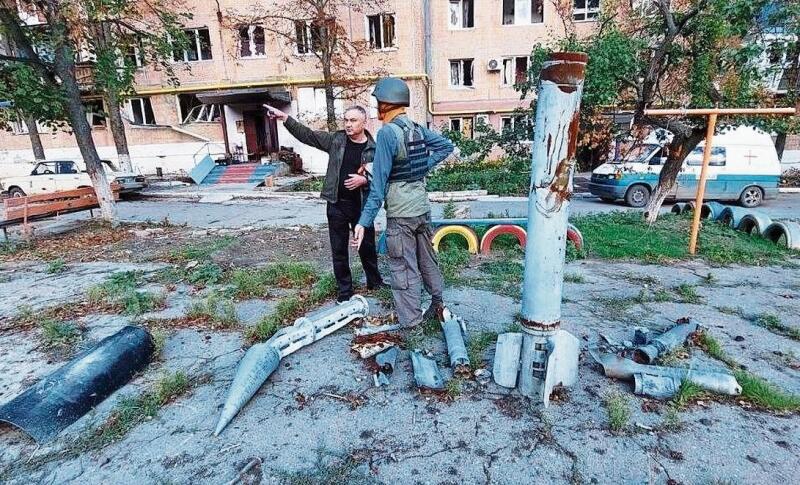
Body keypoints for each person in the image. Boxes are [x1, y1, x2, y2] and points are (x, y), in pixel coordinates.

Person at [351, 78, 455, 328]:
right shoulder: (416, 128)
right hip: (422, 209)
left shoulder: (387, 132)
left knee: (403, 268)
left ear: (386, 104)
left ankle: (412, 326)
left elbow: (378, 187)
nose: (376, 107)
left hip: (401, 214)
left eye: (378, 102)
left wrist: (363, 222)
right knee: (428, 259)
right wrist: (417, 170)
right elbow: (445, 146)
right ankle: (437, 303)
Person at [265, 104, 386, 302]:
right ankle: (345, 292)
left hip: (362, 207)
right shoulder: (336, 140)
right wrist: (285, 118)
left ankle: (374, 282)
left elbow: (382, 177)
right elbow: (308, 135)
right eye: (346, 120)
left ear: (365, 122)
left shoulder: (375, 149)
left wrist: (365, 180)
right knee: (338, 250)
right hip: (337, 204)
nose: (348, 124)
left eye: (353, 120)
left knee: (367, 246)